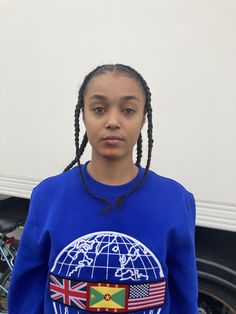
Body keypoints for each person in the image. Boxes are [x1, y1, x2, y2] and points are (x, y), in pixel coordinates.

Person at [8, 64, 199, 313]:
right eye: (99, 109)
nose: (112, 122)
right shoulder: (48, 196)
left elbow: (184, 293)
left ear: (143, 119)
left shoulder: (175, 200)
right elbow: (27, 290)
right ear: (83, 115)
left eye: (128, 110)